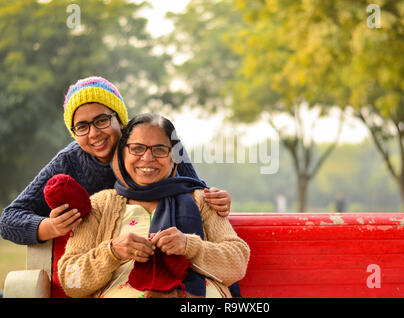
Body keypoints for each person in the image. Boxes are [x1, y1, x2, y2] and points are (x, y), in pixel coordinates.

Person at [0, 77, 231, 245]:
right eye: (82, 126)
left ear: (119, 119)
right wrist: (50, 227)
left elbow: (195, 190)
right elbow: (9, 219)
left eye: (101, 120)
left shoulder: (155, 140)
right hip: (106, 258)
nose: (93, 133)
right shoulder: (68, 161)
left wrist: (217, 199)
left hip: (168, 244)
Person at [57, 114, 250, 298]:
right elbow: (70, 280)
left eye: (159, 149)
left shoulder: (202, 199)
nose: (148, 158)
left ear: (173, 156)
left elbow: (237, 262)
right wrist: (111, 252)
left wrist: (189, 246)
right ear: (123, 153)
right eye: (137, 148)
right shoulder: (100, 205)